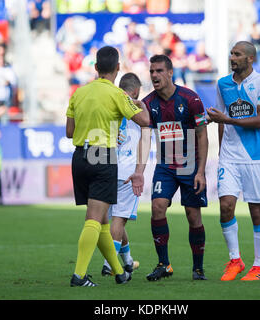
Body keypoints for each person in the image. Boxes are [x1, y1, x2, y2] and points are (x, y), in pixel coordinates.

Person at [65, 46, 150, 287]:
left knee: (102, 219)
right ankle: (79, 276)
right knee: (94, 218)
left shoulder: (78, 93)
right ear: (118, 68)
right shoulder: (117, 94)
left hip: (80, 156)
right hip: (103, 156)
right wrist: (138, 104)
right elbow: (144, 122)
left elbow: (69, 132)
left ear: (95, 68)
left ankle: (119, 272)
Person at [127, 54, 209, 281]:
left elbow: (202, 135)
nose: (154, 75)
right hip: (165, 165)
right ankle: (164, 264)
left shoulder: (191, 99)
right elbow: (145, 138)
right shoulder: (148, 103)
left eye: (159, 71)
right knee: (157, 207)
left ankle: (198, 268)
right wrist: (139, 171)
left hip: (190, 165)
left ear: (170, 72)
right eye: (152, 71)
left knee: (193, 216)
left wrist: (201, 171)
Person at [206, 41, 260, 281]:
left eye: (237, 54)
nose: (232, 58)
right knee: (225, 207)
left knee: (258, 212)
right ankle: (235, 260)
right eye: (231, 54)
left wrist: (227, 120)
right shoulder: (222, 84)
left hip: (256, 157)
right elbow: (219, 119)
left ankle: (259, 267)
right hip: (229, 157)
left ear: (249, 59)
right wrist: (220, 152)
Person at [100, 72, 145, 277]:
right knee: (119, 219)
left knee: (117, 218)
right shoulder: (136, 108)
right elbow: (147, 124)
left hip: (108, 169)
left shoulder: (109, 104)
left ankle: (127, 261)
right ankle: (110, 265)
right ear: (135, 91)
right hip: (127, 173)